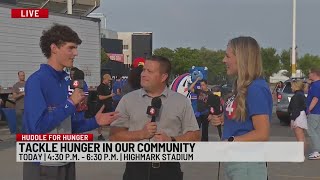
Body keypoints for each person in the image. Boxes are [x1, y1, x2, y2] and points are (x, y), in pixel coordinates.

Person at [23, 24, 119, 180]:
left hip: (66, 160)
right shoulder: (37, 81)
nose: (76, 53)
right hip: (43, 165)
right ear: (54, 48)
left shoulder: (65, 80)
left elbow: (68, 124)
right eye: (71, 48)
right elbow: (37, 128)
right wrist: (69, 104)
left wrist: (95, 121)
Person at [109, 55, 200, 180]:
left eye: (149, 71)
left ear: (163, 77)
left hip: (169, 169)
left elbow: (195, 136)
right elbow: (114, 137)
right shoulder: (127, 100)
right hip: (135, 169)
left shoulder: (181, 102)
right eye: (144, 70)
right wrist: (141, 134)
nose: (143, 74)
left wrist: (172, 140)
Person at [211, 36, 272, 180]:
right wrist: (223, 120)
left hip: (247, 164)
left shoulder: (256, 88)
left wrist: (231, 141)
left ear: (242, 58)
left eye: (228, 56)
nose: (223, 60)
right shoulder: (242, 87)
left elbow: (262, 133)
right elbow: (244, 121)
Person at [288, 80, 308, 151]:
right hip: (302, 116)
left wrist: (293, 119)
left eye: (292, 86)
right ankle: (302, 153)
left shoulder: (296, 96)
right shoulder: (301, 95)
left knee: (299, 137)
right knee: (302, 136)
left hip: (298, 117)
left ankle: (300, 154)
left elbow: (295, 109)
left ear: (296, 86)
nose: (291, 87)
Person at [306, 68, 320, 160]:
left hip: (314, 112)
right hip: (318, 112)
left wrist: (308, 110)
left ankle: (316, 151)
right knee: (317, 131)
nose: (309, 74)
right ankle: (318, 151)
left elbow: (315, 98)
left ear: (314, 74)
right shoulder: (315, 84)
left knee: (311, 131)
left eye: (310, 73)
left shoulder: (315, 85)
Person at [96, 73, 115, 140]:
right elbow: (100, 97)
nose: (109, 81)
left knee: (111, 119)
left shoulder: (107, 87)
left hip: (108, 105)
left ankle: (112, 133)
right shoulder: (100, 87)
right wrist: (110, 96)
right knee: (101, 121)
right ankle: (99, 134)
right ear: (105, 79)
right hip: (102, 106)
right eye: (108, 80)